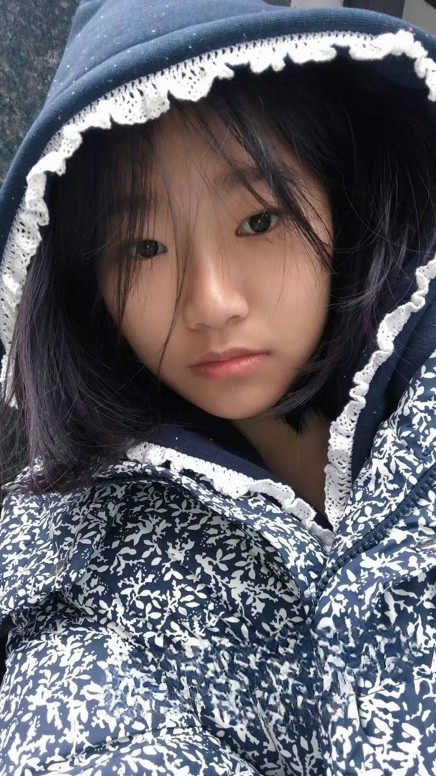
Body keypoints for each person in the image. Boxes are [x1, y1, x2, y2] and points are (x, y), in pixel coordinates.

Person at [0, 0, 435, 773]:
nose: (210, 302)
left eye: (259, 221)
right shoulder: (75, 557)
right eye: (142, 247)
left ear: (342, 195)